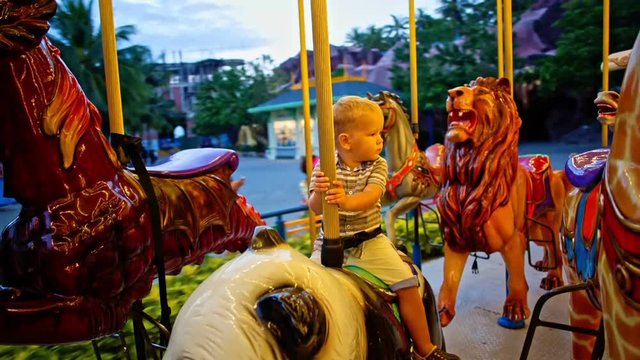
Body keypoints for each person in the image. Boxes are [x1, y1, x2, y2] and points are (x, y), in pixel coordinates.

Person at [308, 96, 459, 360]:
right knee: (308, 292)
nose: (380, 139)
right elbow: (316, 207)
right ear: (346, 141)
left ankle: (425, 348)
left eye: (380, 133)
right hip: (329, 243)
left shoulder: (377, 164)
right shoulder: (325, 166)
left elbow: (372, 195)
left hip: (369, 243)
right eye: (373, 134)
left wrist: (345, 201)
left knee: (407, 284)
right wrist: (320, 192)